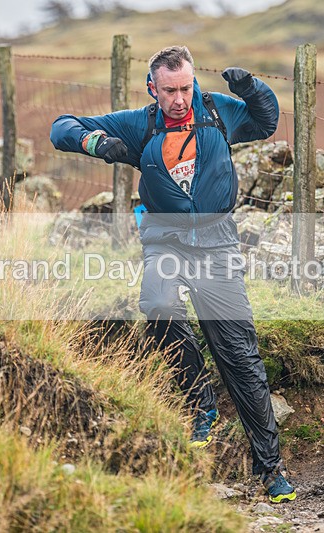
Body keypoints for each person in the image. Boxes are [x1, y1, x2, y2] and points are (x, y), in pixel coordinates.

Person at [50, 45, 296, 503]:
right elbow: (61, 127)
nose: (180, 99)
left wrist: (250, 87)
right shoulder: (140, 124)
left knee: (240, 359)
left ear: (193, 82)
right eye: (169, 91)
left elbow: (266, 122)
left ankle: (271, 470)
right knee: (159, 304)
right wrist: (96, 143)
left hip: (217, 245)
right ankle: (200, 402)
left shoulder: (217, 112)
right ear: (153, 88)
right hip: (165, 240)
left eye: (185, 88)